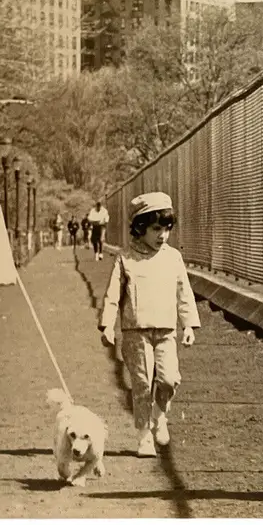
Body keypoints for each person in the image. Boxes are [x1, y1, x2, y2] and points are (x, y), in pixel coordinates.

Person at [98, 192, 200, 457]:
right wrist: (107, 326)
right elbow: (112, 296)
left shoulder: (173, 257)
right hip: (135, 332)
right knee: (142, 384)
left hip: (166, 331)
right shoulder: (125, 259)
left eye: (167, 229)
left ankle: (159, 415)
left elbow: (183, 292)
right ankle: (143, 436)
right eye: (156, 228)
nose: (162, 235)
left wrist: (188, 325)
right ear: (141, 228)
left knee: (169, 379)